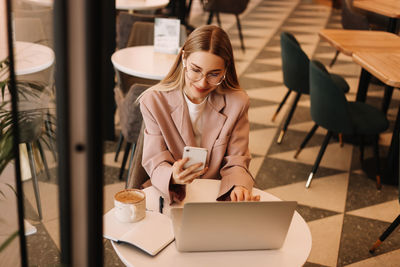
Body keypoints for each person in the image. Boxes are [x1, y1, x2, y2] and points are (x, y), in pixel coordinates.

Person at [139, 25, 260, 203]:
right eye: (196, 70)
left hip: (215, 194)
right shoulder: (153, 101)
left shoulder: (238, 103)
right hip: (171, 193)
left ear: (225, 70)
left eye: (214, 74)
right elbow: (155, 160)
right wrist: (173, 175)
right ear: (184, 59)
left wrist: (238, 186)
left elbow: (237, 160)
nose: (202, 82)